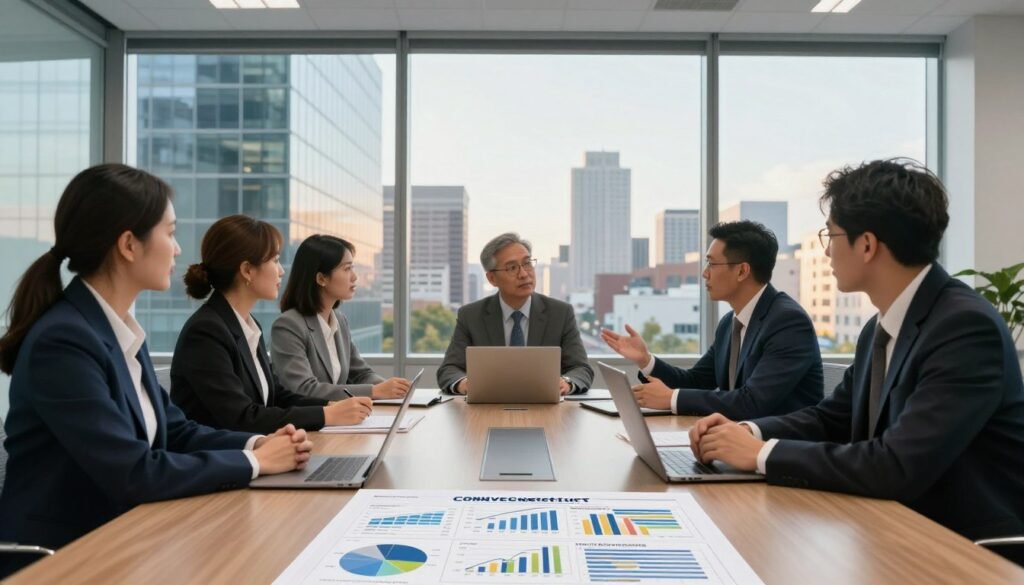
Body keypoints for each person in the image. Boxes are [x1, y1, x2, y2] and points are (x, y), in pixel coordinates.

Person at [0, 165, 312, 577]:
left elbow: (177, 431)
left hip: (126, 537)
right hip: (66, 559)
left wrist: (260, 443)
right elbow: (134, 471)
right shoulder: (64, 343)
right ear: (129, 244)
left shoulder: (117, 330)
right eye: (170, 232)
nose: (179, 249)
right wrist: (258, 464)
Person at [689, 159, 1024, 540]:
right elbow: (831, 419)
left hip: (961, 546)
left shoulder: (963, 328)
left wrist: (760, 455)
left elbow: (897, 464)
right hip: (890, 527)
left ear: (866, 245)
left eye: (829, 236)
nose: (827, 253)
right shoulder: (878, 329)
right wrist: (747, 431)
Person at [170, 216, 373, 434]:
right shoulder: (206, 331)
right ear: (247, 270)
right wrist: (326, 415)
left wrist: (329, 407)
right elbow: (241, 417)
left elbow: (276, 395)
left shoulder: (245, 324)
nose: (281, 271)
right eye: (275, 260)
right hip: (221, 459)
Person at [601, 221, 822, 419]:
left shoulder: (787, 322)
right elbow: (695, 382)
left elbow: (752, 402)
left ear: (742, 271)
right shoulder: (730, 323)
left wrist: (672, 399)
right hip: (734, 441)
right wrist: (646, 360)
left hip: (779, 451)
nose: (704, 274)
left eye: (712, 264)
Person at [438, 233, 594, 395]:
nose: (524, 274)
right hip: (488, 408)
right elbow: (449, 369)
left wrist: (567, 383)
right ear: (492, 278)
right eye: (512, 267)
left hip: (547, 409)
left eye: (527, 263)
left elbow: (581, 368)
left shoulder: (560, 313)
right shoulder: (471, 316)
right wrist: (464, 383)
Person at [272, 234, 410, 401]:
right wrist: (374, 391)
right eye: (347, 268)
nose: (354, 276)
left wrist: (392, 389)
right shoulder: (289, 325)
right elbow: (302, 389)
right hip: (308, 424)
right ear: (321, 278)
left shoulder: (339, 320)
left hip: (338, 421)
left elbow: (361, 373)